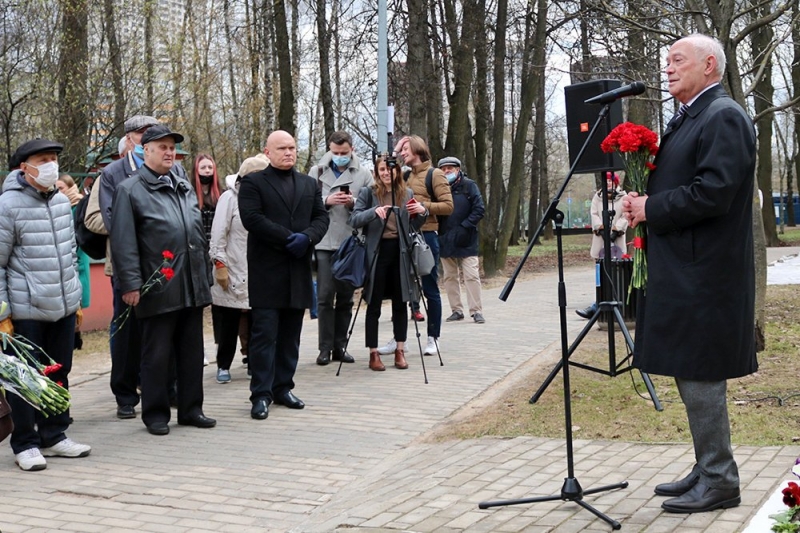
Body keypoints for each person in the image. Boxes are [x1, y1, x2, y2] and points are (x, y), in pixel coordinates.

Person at [621, 34, 757, 514]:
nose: (668, 68)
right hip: (686, 267)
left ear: (710, 65)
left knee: (701, 371)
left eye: (678, 61)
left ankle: (721, 479)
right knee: (687, 366)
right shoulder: (694, 114)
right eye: (667, 61)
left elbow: (714, 192)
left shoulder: (724, 116)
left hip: (707, 274)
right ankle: (707, 466)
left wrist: (650, 206)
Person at [110, 125, 216, 436]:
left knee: (192, 351)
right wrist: (130, 284)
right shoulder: (130, 190)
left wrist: (203, 274)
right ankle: (155, 413)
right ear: (146, 151)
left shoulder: (183, 185)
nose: (170, 153)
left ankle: (191, 408)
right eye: (163, 147)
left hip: (191, 282)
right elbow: (123, 242)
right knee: (156, 355)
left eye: (173, 148)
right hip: (158, 286)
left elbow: (196, 235)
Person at [0, 139, 90, 471]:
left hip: (62, 306)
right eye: (44, 159)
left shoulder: (59, 204)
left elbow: (69, 255)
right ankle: (25, 443)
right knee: (26, 377)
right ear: (25, 167)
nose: (51, 164)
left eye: (54, 158)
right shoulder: (7, 205)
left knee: (58, 373)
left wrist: (75, 298)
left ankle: (54, 435)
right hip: (25, 310)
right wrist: (2, 313)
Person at [238, 130, 329, 420]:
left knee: (291, 335)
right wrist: (288, 237)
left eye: (292, 147)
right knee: (264, 334)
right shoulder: (254, 182)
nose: (288, 152)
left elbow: (321, 217)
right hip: (267, 269)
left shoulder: (309, 183)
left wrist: (308, 237)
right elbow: (252, 218)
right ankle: (260, 394)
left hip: (298, 268)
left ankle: (283, 387)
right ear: (267, 151)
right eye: (282, 148)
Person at [86, 115, 163, 419]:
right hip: (126, 265)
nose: (149, 138)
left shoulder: (169, 167)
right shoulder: (113, 173)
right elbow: (100, 217)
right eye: (144, 133)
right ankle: (125, 394)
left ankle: (158, 387)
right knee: (127, 332)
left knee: (158, 331)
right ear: (130, 139)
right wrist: (139, 224)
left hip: (162, 265)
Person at [377, 135, 453, 357]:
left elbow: (448, 206)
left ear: (419, 149)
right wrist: (396, 148)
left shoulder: (435, 174)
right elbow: (388, 167)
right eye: (401, 150)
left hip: (426, 237)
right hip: (403, 238)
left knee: (430, 290)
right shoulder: (405, 175)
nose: (402, 153)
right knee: (401, 290)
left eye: (406, 149)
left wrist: (423, 207)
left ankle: (433, 338)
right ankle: (399, 339)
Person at [349, 156, 427, 371]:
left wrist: (422, 212)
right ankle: (373, 353)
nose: (386, 173)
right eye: (382, 169)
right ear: (377, 172)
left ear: (397, 172)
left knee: (401, 303)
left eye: (390, 170)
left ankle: (399, 349)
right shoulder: (368, 193)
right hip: (376, 252)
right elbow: (354, 220)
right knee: (373, 303)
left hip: (400, 253)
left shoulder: (406, 193)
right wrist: (372, 213)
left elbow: (414, 225)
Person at [311, 131, 374, 366]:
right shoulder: (317, 172)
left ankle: (340, 345)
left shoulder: (364, 174)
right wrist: (326, 201)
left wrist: (353, 203)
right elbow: (307, 204)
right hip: (325, 241)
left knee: (346, 297)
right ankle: (324, 347)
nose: (339, 157)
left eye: (343, 153)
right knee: (325, 295)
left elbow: (371, 206)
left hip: (351, 242)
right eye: (335, 153)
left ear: (352, 149)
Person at [209, 154, 269, 384]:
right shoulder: (229, 199)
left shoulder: (266, 198)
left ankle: (255, 363)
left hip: (260, 270)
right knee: (228, 322)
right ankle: (223, 364)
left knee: (258, 322)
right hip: (232, 269)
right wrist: (220, 264)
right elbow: (218, 235)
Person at [436, 157, 486, 324]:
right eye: (443, 169)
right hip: (445, 237)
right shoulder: (438, 188)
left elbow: (479, 209)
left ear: (458, 169)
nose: (447, 171)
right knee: (450, 276)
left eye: (450, 168)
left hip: (467, 238)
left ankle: (476, 311)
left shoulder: (469, 185)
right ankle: (456, 310)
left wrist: (465, 226)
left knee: (472, 275)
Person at [576, 172, 628, 319]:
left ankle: (616, 302)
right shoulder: (597, 197)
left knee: (616, 272)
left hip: (616, 240)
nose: (609, 184)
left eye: (611, 181)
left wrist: (617, 230)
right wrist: (601, 228)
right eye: (606, 181)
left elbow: (625, 215)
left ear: (616, 182)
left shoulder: (623, 197)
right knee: (601, 273)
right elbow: (594, 214)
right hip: (601, 240)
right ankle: (597, 304)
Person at [57, 175, 91, 348]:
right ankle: (74, 338)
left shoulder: (78, 205)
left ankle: (76, 338)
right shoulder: (59, 205)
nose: (59, 191)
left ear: (70, 187)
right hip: (66, 260)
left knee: (77, 300)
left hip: (77, 257)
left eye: (62, 188)